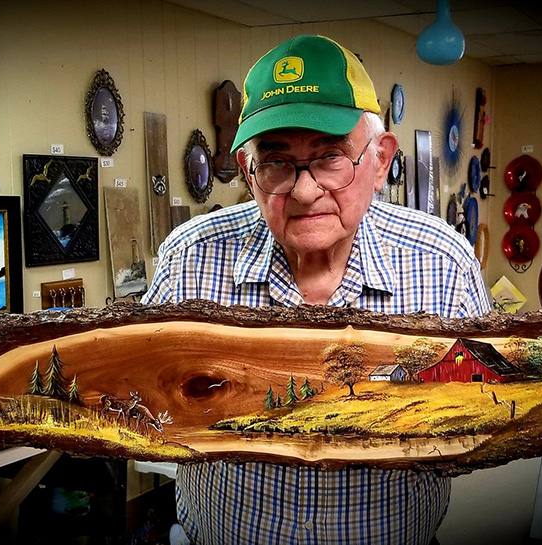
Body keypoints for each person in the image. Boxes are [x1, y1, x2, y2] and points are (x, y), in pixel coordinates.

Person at [141, 34, 490, 544]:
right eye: (277, 161)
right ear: (247, 169)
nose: (305, 191)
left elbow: (478, 431)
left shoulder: (444, 263)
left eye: (331, 157)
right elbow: (145, 405)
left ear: (381, 160)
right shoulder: (190, 257)